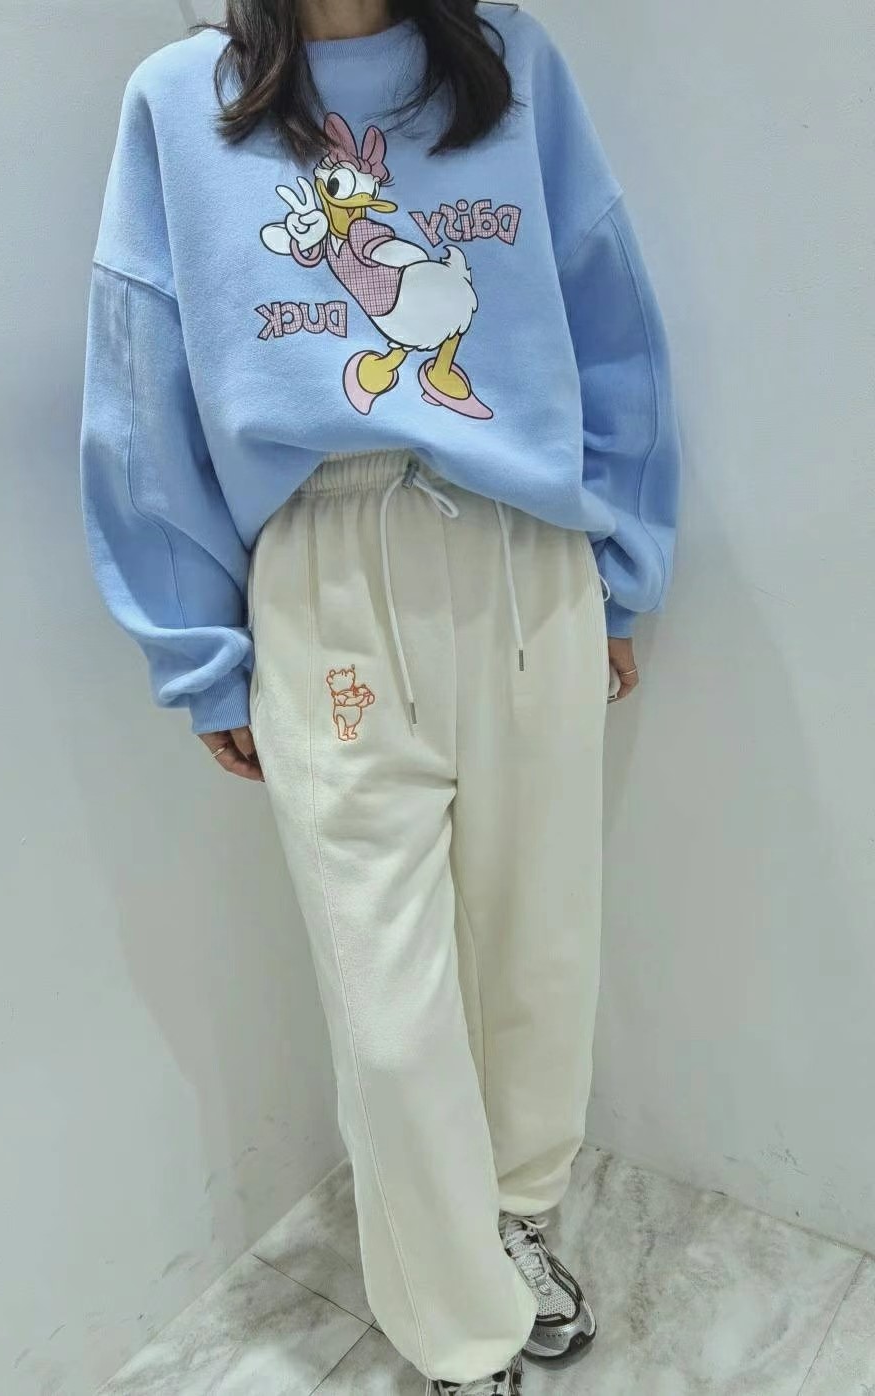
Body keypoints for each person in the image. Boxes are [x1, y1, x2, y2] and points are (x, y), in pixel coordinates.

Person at [80, 1, 680, 1391]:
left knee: (540, 948)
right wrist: (199, 650)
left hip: (526, 557)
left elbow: (609, 315)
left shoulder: (511, 62)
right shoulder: (180, 101)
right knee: (389, 1014)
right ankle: (458, 1334)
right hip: (323, 580)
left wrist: (621, 570)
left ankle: (511, 1220)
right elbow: (139, 387)